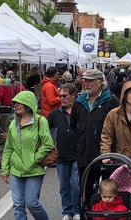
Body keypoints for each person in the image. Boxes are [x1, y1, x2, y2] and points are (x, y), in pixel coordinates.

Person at [1, 91, 53, 220]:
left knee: (31, 203)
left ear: (28, 104)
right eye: (15, 103)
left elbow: (48, 144)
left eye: (20, 103)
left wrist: (34, 159)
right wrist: (4, 169)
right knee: (18, 205)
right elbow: (8, 147)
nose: (16, 105)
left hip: (34, 169)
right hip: (16, 170)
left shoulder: (41, 121)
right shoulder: (14, 123)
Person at [71, 69, 119, 180]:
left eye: (90, 81)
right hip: (84, 155)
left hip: (106, 155)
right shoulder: (79, 102)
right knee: (85, 191)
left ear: (100, 82)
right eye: (85, 81)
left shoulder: (111, 101)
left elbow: (119, 127)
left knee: (106, 191)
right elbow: (73, 126)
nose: (87, 84)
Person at [47, 83, 80, 220]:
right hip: (61, 155)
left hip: (78, 154)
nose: (62, 99)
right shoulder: (55, 113)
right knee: (64, 187)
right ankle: (67, 211)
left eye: (65, 96)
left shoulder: (81, 111)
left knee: (75, 184)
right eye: (60, 96)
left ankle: (77, 210)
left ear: (73, 96)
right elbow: (44, 128)